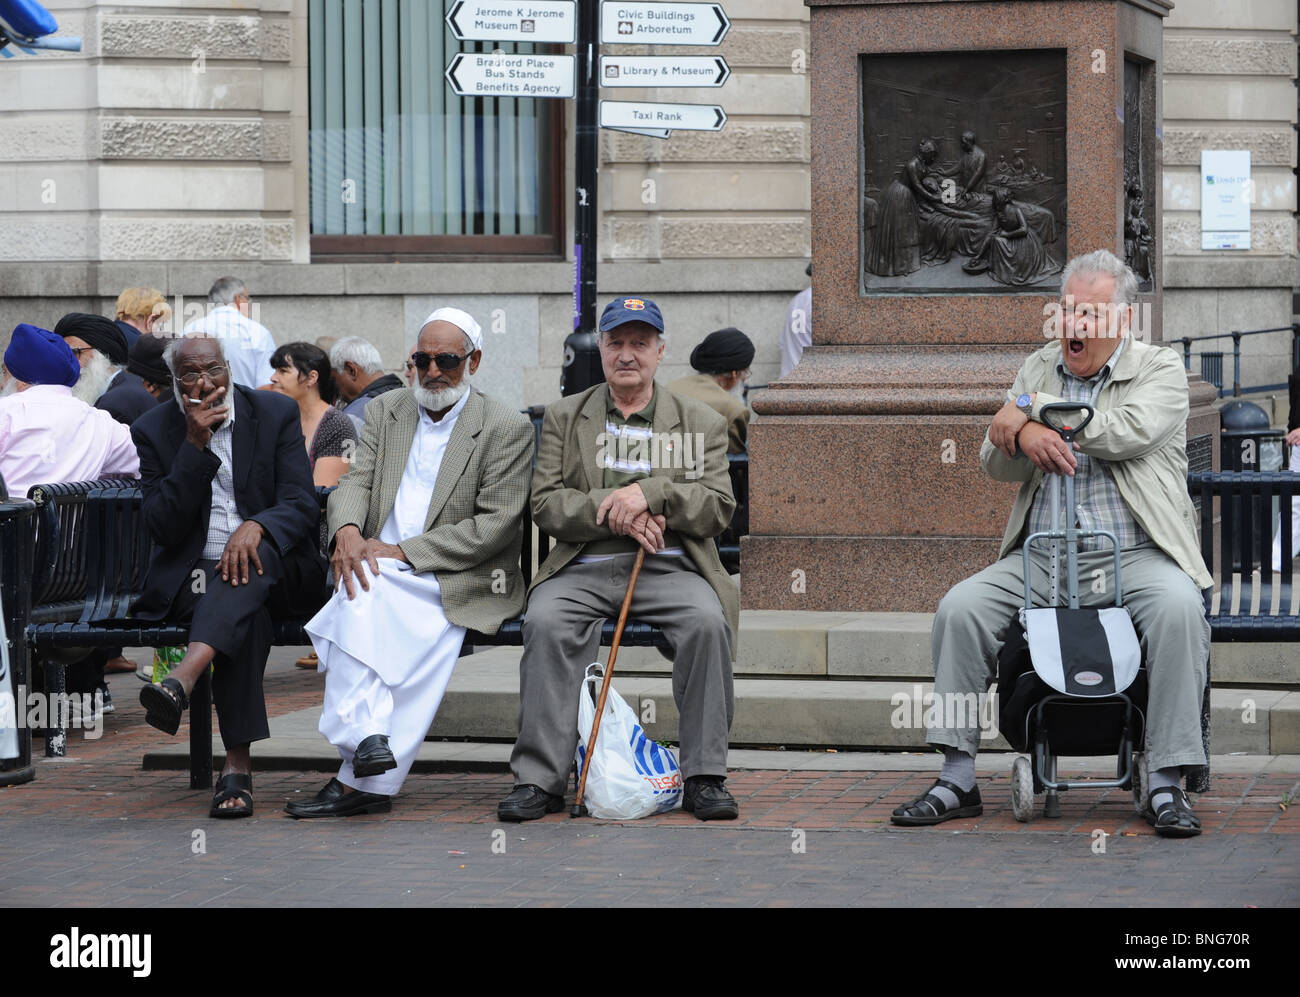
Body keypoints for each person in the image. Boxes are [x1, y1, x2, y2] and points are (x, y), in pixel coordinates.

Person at [890, 249, 1212, 838]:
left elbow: (1124, 432)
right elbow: (995, 462)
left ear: (1122, 320)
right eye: (1068, 312)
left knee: (1180, 610)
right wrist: (1017, 436)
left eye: (1091, 314)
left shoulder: (1160, 370)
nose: (1074, 325)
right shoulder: (1038, 367)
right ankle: (957, 777)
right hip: (1043, 557)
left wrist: (1032, 412)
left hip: (1135, 555)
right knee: (960, 609)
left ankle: (1165, 780)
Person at [499, 296, 740, 823]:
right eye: (616, 343)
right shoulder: (567, 416)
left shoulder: (699, 421)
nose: (627, 354)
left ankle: (705, 775)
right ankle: (539, 780)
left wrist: (653, 495)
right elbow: (545, 503)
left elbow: (718, 507)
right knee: (545, 621)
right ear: (602, 351)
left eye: (639, 343)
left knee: (705, 623)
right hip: (582, 565)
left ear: (660, 351)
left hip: (670, 565)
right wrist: (617, 511)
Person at [286, 309, 533, 818]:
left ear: (474, 361)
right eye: (423, 359)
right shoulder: (387, 411)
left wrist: (401, 552)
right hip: (379, 568)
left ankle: (360, 761)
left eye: (447, 360)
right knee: (362, 589)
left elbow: (494, 526)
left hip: (455, 575)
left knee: (357, 600)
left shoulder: (504, 425)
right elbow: (354, 481)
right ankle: (369, 754)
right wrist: (349, 531)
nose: (433, 370)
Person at [132, 333, 324, 818]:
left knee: (248, 569)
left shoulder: (273, 414)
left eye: (212, 369)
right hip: (195, 580)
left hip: (277, 564)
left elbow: (301, 503)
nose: (204, 383)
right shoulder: (157, 429)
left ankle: (185, 676)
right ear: (175, 382)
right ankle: (235, 766)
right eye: (190, 375)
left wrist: (256, 527)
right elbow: (162, 525)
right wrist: (194, 448)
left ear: (229, 368)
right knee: (243, 612)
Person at [0, 323, 139, 496]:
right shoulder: (101, 423)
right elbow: (143, 459)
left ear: (21, 378)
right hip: (70, 523)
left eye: (5, 373)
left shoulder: (6, 412)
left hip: (11, 521)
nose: (2, 384)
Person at [267, 342, 357, 489]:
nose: (273, 378)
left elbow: (322, 495)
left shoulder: (337, 425)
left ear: (311, 378)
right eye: (275, 370)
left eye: (283, 371)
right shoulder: (276, 418)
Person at [669, 326, 755, 453]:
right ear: (734, 374)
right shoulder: (734, 410)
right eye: (746, 373)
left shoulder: (669, 388)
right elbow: (736, 460)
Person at [181, 276, 276, 388]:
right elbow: (266, 384)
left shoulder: (190, 329)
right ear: (238, 299)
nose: (249, 305)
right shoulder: (257, 331)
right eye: (247, 299)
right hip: (247, 404)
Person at [330, 336, 403, 430]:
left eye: (334, 379)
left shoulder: (353, 417)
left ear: (351, 370)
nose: (334, 387)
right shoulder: (408, 400)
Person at [780, 264, 812, 378]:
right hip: (810, 382)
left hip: (789, 377)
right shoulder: (822, 301)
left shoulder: (797, 299)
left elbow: (783, 344)